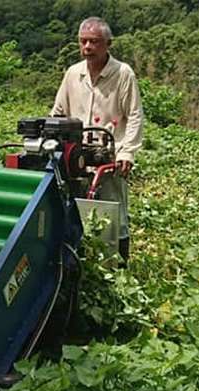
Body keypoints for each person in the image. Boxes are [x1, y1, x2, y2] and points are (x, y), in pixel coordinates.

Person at [51, 16, 143, 267]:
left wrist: (127, 153)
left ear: (108, 44)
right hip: (75, 156)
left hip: (108, 157)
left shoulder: (122, 74)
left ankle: (117, 269)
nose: (88, 47)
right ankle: (78, 264)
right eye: (83, 41)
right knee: (73, 211)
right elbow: (58, 112)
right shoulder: (73, 74)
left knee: (113, 215)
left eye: (94, 42)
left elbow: (134, 115)